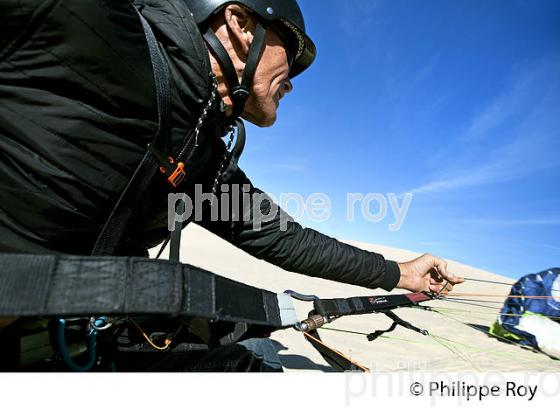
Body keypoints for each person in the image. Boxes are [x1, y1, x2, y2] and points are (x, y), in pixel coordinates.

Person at [0, 0, 463, 371]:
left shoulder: (201, 154)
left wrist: (401, 273)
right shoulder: (89, 20)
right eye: (292, 55)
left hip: (78, 340)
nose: (294, 85)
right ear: (241, 23)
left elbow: (284, 238)